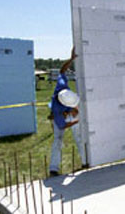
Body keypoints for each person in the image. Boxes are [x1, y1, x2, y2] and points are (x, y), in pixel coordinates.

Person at [48, 47, 80, 177]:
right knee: (58, 140)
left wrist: (71, 59)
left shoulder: (62, 87)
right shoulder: (57, 110)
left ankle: (86, 161)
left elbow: (62, 70)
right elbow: (63, 125)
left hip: (68, 114)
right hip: (61, 119)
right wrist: (76, 120)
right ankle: (53, 168)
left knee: (80, 135)